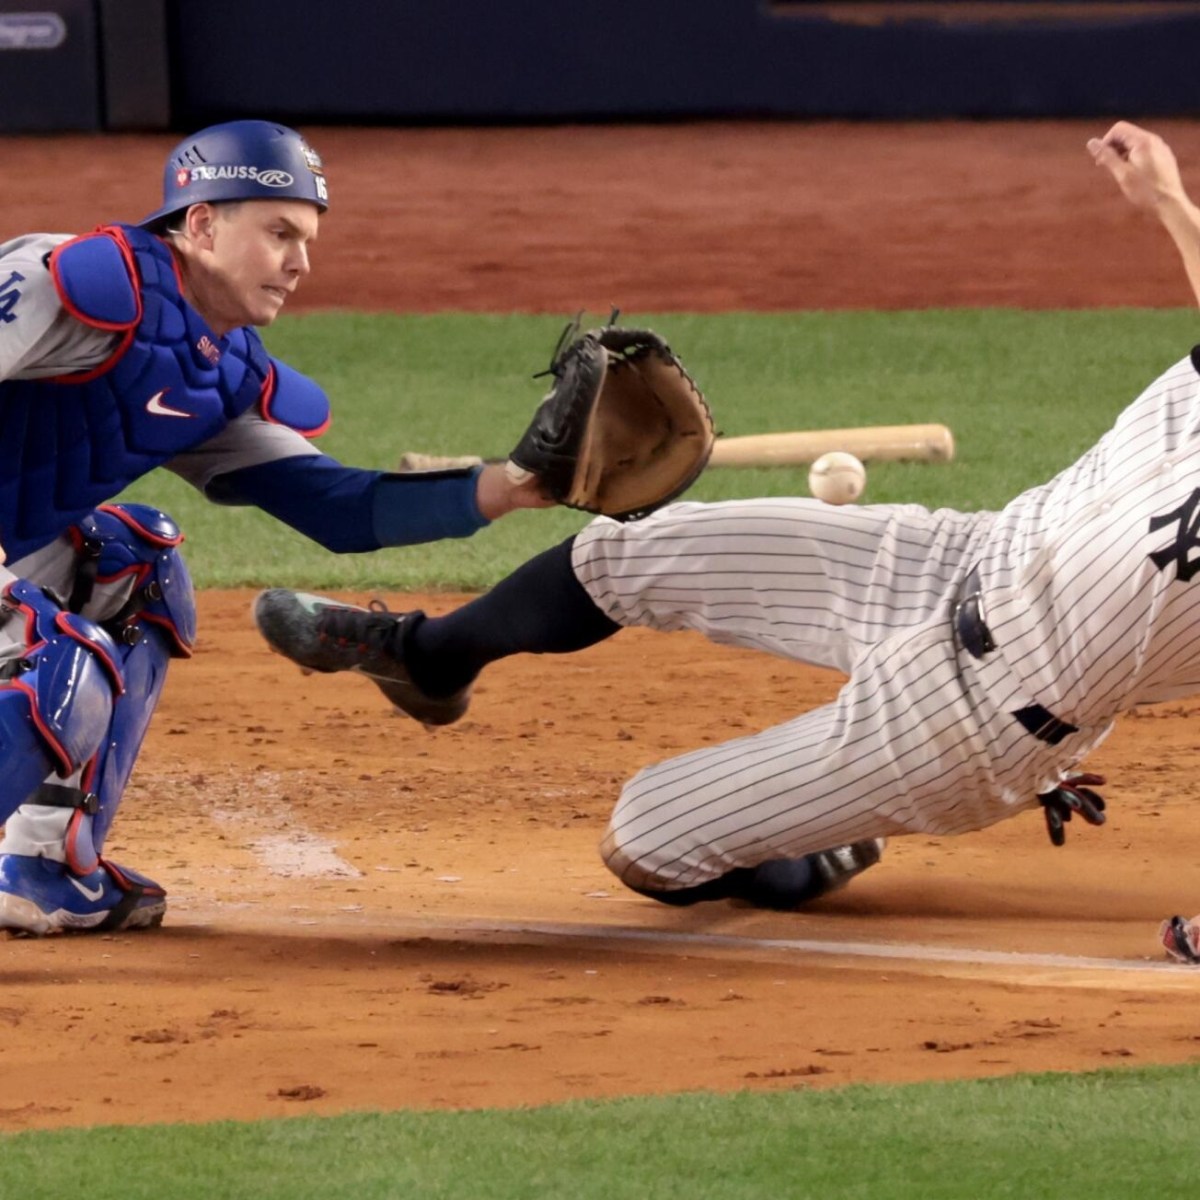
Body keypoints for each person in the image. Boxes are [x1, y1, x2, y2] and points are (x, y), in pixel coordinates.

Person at [256, 120, 1200, 912]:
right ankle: (427, 659)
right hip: (966, 553)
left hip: (978, 722)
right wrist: (1166, 201)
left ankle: (816, 841)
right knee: (627, 553)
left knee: (647, 838)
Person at [0, 119, 552, 935]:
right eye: (280, 232)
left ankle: (46, 865)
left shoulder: (215, 366)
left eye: (308, 238)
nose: (301, 262)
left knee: (137, 565)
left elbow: (340, 507)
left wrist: (509, 487)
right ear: (202, 223)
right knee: (61, 662)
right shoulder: (73, 281)